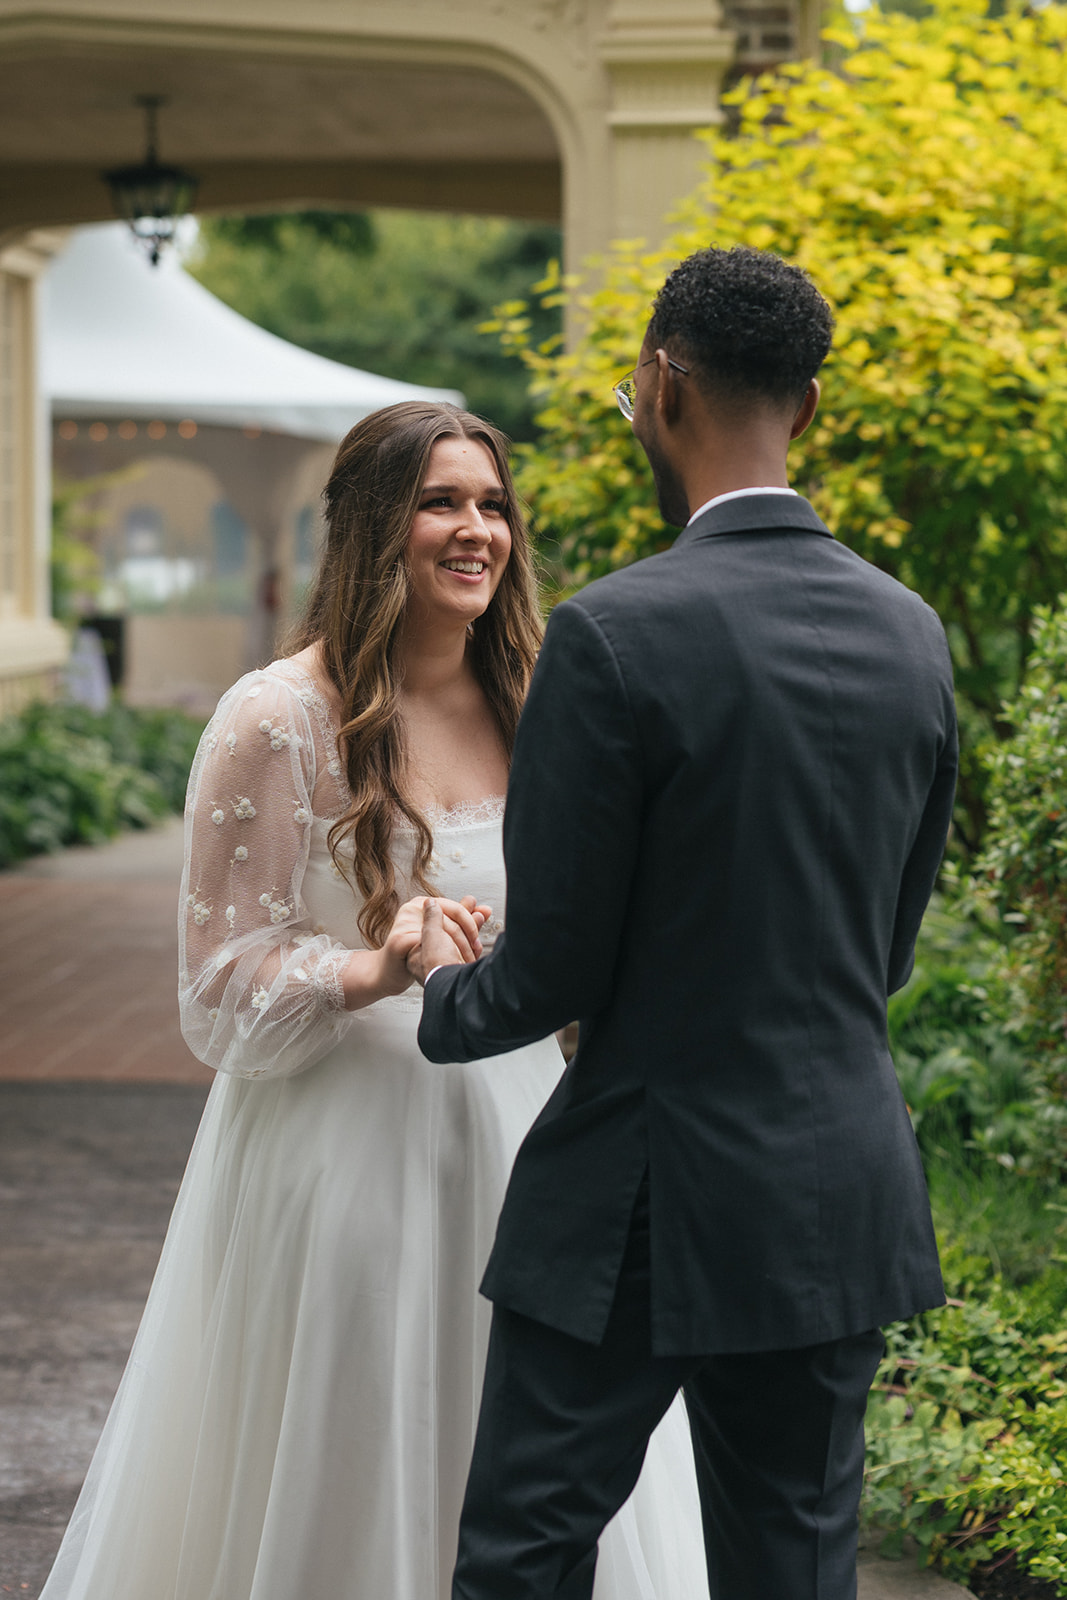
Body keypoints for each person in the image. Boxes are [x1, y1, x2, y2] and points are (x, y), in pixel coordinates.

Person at [38, 402, 710, 1600]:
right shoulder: (276, 716)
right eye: (439, 502)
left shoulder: (543, 694)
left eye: (491, 504)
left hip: (528, 1143)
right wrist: (373, 965)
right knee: (356, 1455)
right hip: (344, 1154)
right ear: (369, 527)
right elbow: (216, 983)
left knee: (539, 1472)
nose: (474, 530)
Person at [413, 248, 959, 1600]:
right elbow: (880, 954)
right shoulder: (909, 637)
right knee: (795, 1566)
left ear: (657, 387)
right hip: (835, 1176)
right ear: (810, 408)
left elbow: (548, 968)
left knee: (525, 1551)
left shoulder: (611, 636)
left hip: (639, 1190)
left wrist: (443, 993)